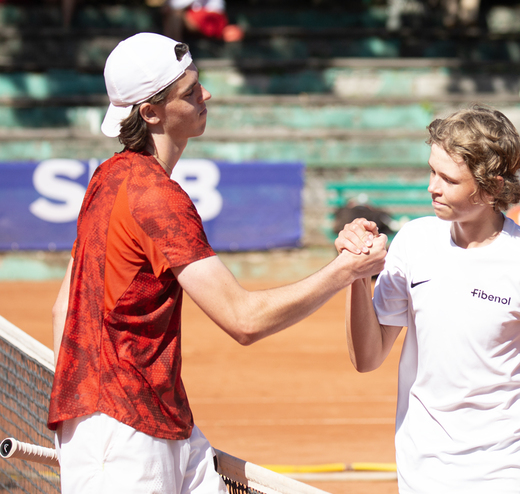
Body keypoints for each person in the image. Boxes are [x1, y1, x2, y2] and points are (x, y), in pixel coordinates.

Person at [47, 32, 385, 494]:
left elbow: (61, 310)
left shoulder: (107, 176)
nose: (205, 95)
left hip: (147, 418)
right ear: (150, 113)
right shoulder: (156, 198)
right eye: (189, 92)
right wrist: (347, 270)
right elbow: (243, 320)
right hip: (124, 433)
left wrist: (83, 410)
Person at [337, 106, 520, 493]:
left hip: (502, 472)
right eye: (432, 171)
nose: (432, 187)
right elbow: (366, 358)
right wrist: (355, 274)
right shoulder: (413, 242)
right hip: (420, 472)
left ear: (491, 187)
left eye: (449, 179)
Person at [162, 0, 244, 43]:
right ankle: (174, 47)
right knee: (173, 15)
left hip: (212, 19)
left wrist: (167, 6)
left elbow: (177, 5)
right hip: (198, 15)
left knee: (176, 15)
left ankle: (175, 48)